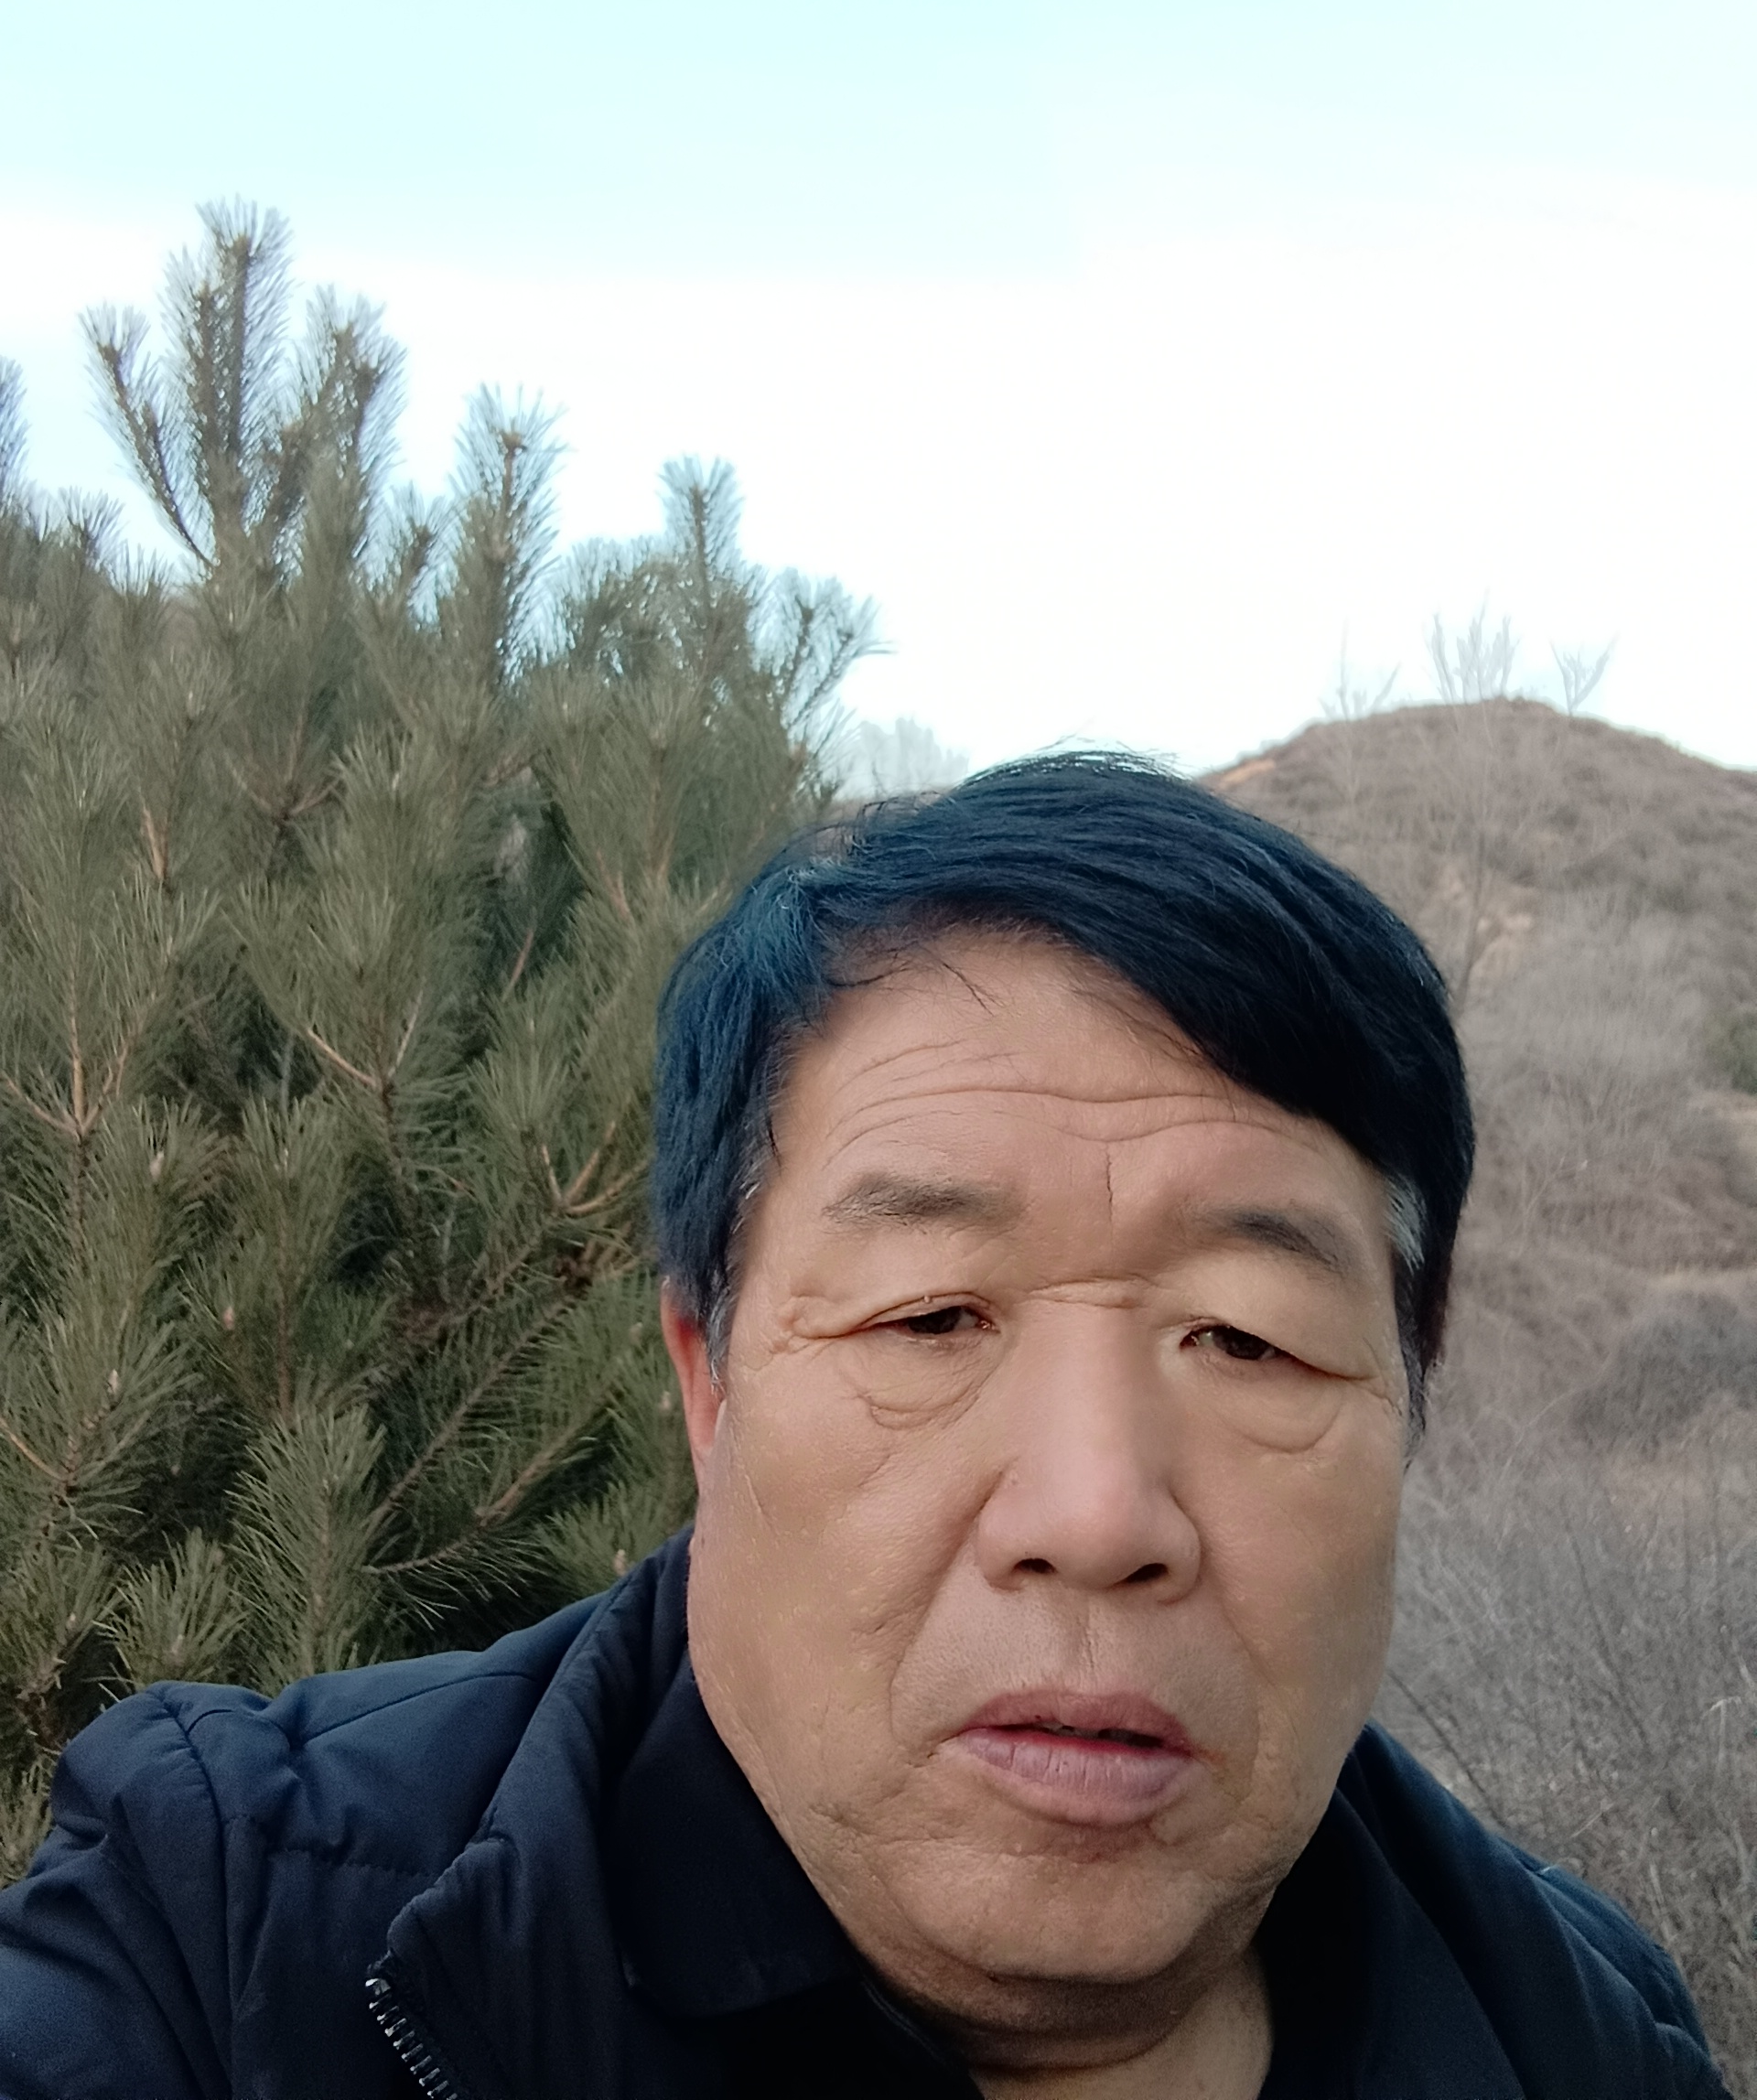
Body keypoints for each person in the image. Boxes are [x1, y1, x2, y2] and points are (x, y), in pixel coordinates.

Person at [0, 754, 1729, 2099]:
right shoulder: (230, 1930)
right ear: (708, 1377)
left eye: (1246, 1338)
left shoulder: (1585, 2037)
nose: (1096, 1513)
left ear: (1408, 1396)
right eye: (931, 1318)